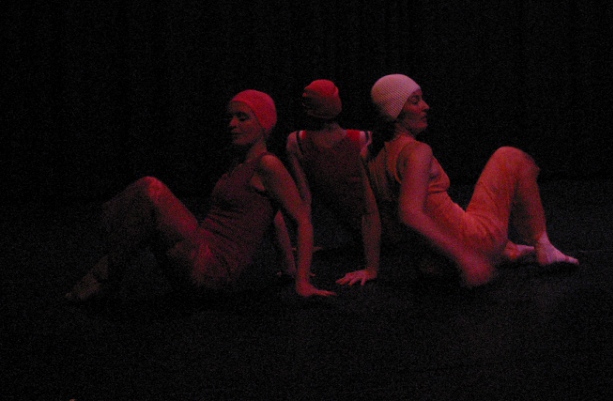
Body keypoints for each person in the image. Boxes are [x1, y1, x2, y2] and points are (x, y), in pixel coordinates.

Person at [66, 89, 335, 303]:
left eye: (242, 118)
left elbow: (302, 220)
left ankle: (105, 274)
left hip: (213, 269)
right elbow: (273, 218)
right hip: (198, 256)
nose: (232, 124)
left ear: (263, 124)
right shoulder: (238, 164)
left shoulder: (268, 164)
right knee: (144, 203)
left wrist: (301, 282)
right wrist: (288, 268)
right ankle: (108, 271)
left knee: (151, 189)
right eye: (230, 118)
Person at [363, 74, 578, 287]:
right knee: (510, 157)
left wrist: (371, 269)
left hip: (431, 265)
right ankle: (543, 247)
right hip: (464, 249)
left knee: (474, 222)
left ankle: (506, 252)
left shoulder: (368, 154)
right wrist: (464, 258)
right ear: (395, 111)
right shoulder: (416, 152)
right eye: (415, 101)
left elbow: (370, 215)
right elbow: (410, 215)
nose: (425, 106)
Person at [285, 79, 380, 287]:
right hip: (372, 233)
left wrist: (303, 246)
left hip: (370, 235)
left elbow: (305, 201)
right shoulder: (364, 138)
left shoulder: (296, 142)